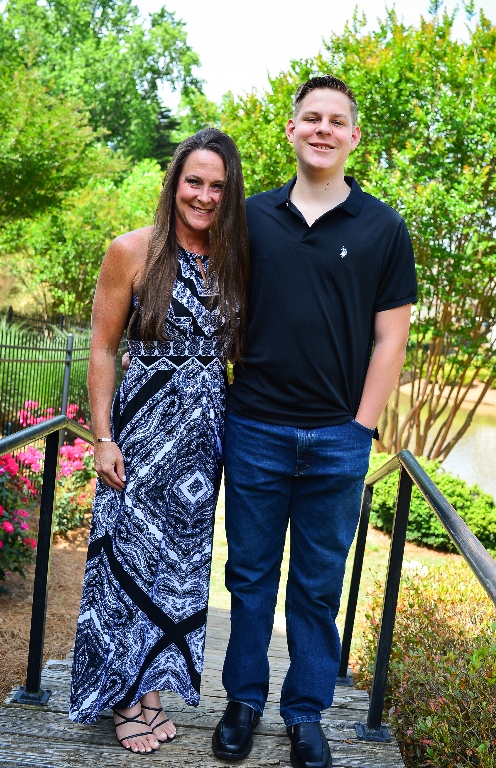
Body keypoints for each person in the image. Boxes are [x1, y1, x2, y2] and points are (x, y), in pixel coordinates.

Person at [212, 76, 417, 768]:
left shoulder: (384, 228)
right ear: (292, 129)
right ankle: (243, 702)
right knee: (250, 577)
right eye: (311, 118)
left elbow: (391, 339)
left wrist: (361, 428)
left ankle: (304, 714)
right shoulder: (249, 217)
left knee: (318, 587)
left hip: (338, 437)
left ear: (353, 136)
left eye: (336, 120)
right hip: (255, 428)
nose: (323, 128)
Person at [69, 128, 249, 755]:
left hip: (202, 442)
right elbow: (103, 348)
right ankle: (121, 698)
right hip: (141, 435)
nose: (204, 195)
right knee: (125, 564)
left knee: (178, 571)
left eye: (218, 186)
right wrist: (102, 436)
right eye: (194, 181)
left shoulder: (233, 260)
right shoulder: (132, 251)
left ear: (230, 194)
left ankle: (152, 692)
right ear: (174, 183)